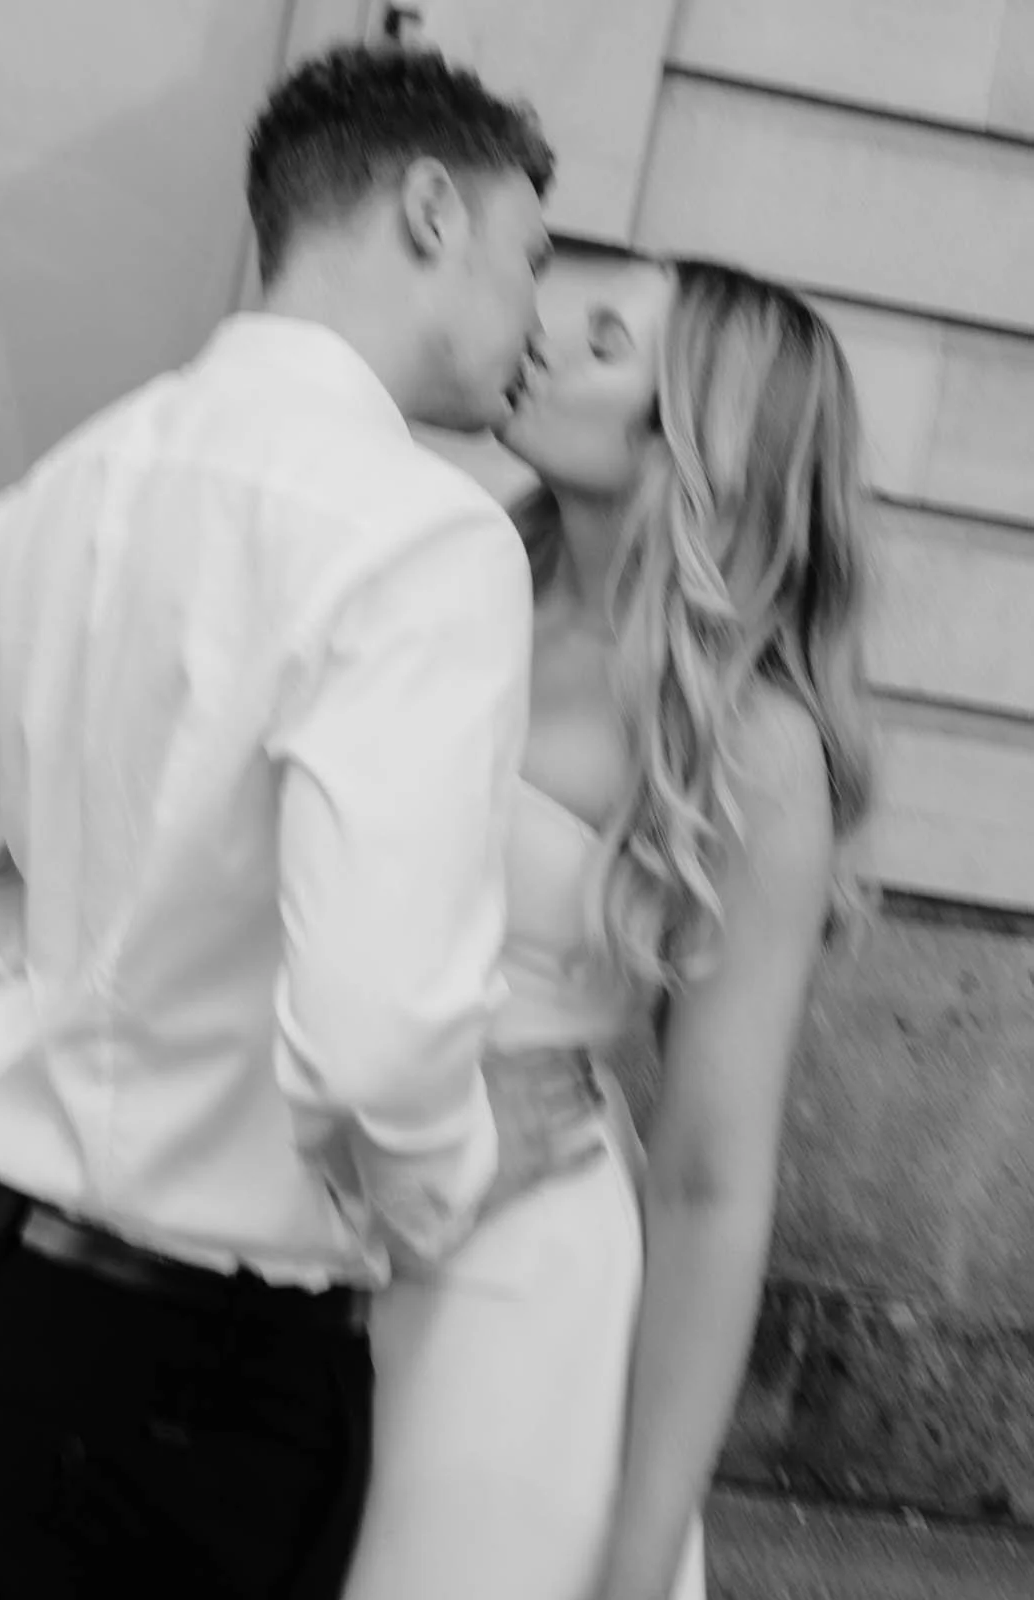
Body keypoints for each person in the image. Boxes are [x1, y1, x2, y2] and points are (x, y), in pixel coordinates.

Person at [0, 43, 584, 1600]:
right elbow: (376, 1040)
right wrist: (456, 1182)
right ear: (428, 210)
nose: (534, 320)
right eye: (530, 260)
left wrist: (92, 1036)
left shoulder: (65, 484)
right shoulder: (423, 540)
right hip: (191, 1375)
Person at [341, 256, 874, 1600]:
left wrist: (641, 1545)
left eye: (601, 341)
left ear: (693, 430)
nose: (538, 338)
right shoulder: (446, 587)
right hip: (296, 1214)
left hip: (507, 1282)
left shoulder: (747, 746)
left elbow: (709, 1178)